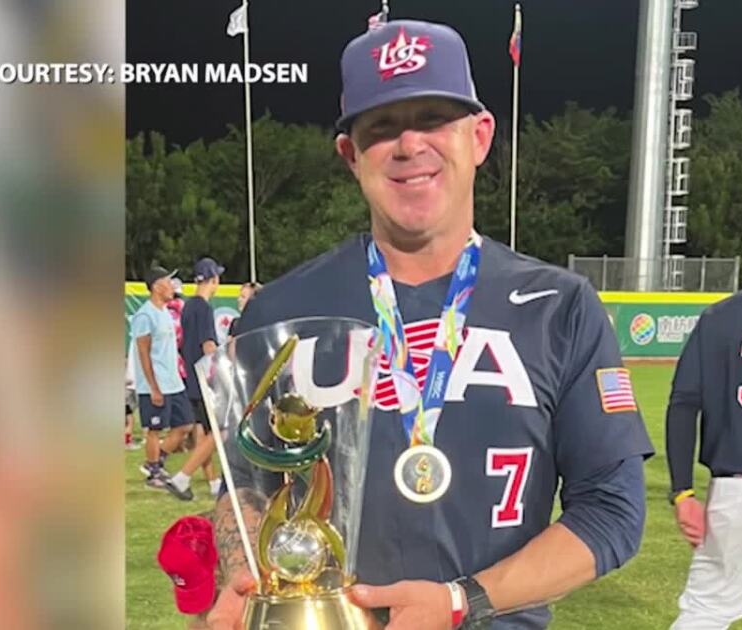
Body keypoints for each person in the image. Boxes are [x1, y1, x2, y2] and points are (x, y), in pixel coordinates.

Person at [205, 20, 654, 629]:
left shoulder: (559, 305)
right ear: (350, 154)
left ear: (480, 136)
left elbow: (612, 511)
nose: (410, 145)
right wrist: (244, 576)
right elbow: (245, 486)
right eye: (382, 127)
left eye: (433, 119)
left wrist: (460, 600)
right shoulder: (282, 313)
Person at [665, 281, 742, 629]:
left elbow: (683, 404)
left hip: (738, 491)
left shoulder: (723, 314)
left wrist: (682, 492)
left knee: (706, 612)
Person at [164, 257, 227, 501]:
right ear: (214, 279)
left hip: (190, 377)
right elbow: (208, 345)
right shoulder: (204, 307)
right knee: (220, 432)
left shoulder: (188, 306)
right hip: (204, 378)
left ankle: (212, 481)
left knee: (204, 431)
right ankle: (182, 477)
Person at [133, 266, 195, 489]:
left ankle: (155, 462)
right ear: (157, 286)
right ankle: (153, 473)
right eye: (169, 282)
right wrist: (153, 387)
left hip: (173, 382)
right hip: (156, 383)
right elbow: (143, 352)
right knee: (154, 428)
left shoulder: (166, 313)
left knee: (185, 425)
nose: (173, 286)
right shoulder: (144, 315)